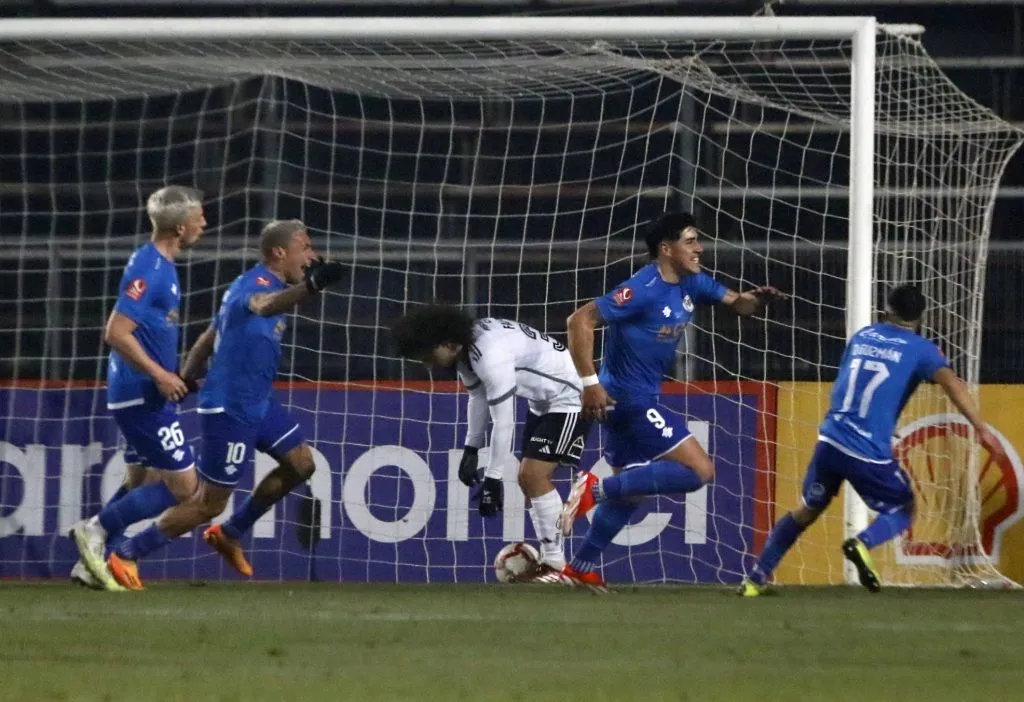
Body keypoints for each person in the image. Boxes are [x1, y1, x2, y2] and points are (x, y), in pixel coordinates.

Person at [103, 219, 345, 590]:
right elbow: (264, 306)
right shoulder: (257, 286)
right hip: (231, 408)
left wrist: (186, 377)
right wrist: (311, 286)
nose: (312, 255)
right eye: (306, 247)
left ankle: (230, 532)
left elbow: (209, 337)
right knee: (207, 503)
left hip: (258, 403)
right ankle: (126, 554)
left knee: (302, 464)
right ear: (280, 252)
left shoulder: (252, 286)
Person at [555, 211, 783, 590]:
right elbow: (580, 320)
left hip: (631, 399)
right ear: (666, 249)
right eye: (690, 241)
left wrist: (755, 300)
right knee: (700, 471)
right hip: (626, 398)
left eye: (697, 240)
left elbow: (738, 304)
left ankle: (580, 566)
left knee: (633, 490)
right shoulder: (642, 288)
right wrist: (589, 382)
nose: (699, 248)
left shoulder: (693, 282)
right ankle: (592, 491)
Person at [740, 284, 1003, 595]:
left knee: (807, 510)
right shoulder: (921, 349)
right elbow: (953, 384)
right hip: (866, 451)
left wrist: (878, 420)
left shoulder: (863, 335)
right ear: (920, 316)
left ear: (886, 310)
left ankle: (754, 580)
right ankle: (861, 543)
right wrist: (980, 427)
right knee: (903, 509)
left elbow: (848, 382)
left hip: (830, 439)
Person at [72, 186, 207, 591]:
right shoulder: (150, 268)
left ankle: (91, 564)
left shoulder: (159, 263)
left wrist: (172, 375)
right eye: (199, 217)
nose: (204, 223)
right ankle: (95, 530)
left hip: (142, 393)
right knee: (185, 489)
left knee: (141, 480)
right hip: (141, 395)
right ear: (180, 227)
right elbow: (116, 332)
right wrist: (160, 375)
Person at [391, 305, 590, 573]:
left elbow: (504, 421)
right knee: (527, 480)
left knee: (533, 476)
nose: (427, 363)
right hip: (542, 401)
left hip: (570, 395)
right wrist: (471, 449)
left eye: (428, 354)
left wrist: (493, 479)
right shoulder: (466, 349)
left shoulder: (490, 354)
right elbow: (478, 396)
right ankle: (552, 560)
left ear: (448, 343)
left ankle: (556, 563)